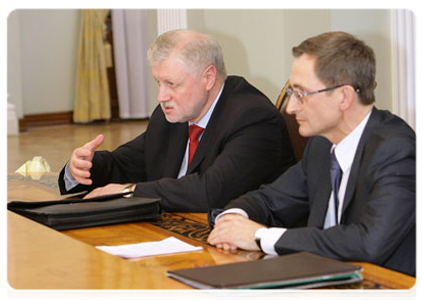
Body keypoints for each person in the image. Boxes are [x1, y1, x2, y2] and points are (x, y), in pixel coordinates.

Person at [207, 31, 420, 277]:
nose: (291, 107)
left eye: (301, 94)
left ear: (344, 96)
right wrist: (233, 220)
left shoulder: (396, 150)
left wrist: (259, 236)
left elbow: (367, 243)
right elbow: (269, 200)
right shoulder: (321, 145)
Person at [58, 29, 295, 212]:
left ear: (208, 78)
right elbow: (126, 164)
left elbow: (211, 191)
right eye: (158, 83)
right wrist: (82, 167)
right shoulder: (174, 113)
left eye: (172, 84)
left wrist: (130, 191)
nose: (161, 97)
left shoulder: (253, 117)